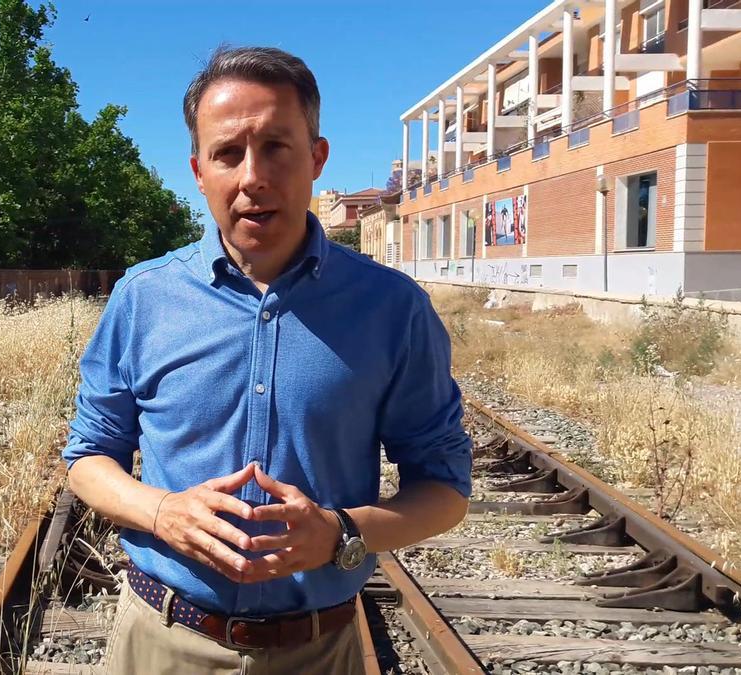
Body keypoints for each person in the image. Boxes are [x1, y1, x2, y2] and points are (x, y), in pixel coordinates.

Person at [62, 45, 472, 675]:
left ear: (316, 157)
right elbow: (89, 460)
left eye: (276, 146)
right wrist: (163, 511)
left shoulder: (392, 309)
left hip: (318, 651)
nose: (253, 175)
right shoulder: (144, 298)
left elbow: (444, 491)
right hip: (161, 641)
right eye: (228, 152)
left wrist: (340, 534)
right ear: (199, 171)